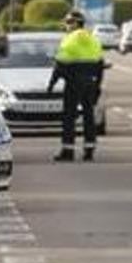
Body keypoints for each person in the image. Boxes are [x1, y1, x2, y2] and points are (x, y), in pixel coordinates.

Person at [47, 10, 104, 162]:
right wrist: (98, 86)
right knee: (89, 116)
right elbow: (100, 64)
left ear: (74, 23)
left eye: (67, 23)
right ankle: (89, 150)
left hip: (73, 82)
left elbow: (60, 65)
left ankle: (68, 151)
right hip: (90, 82)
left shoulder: (68, 39)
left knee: (69, 117)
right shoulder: (93, 39)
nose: (65, 26)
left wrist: (52, 84)